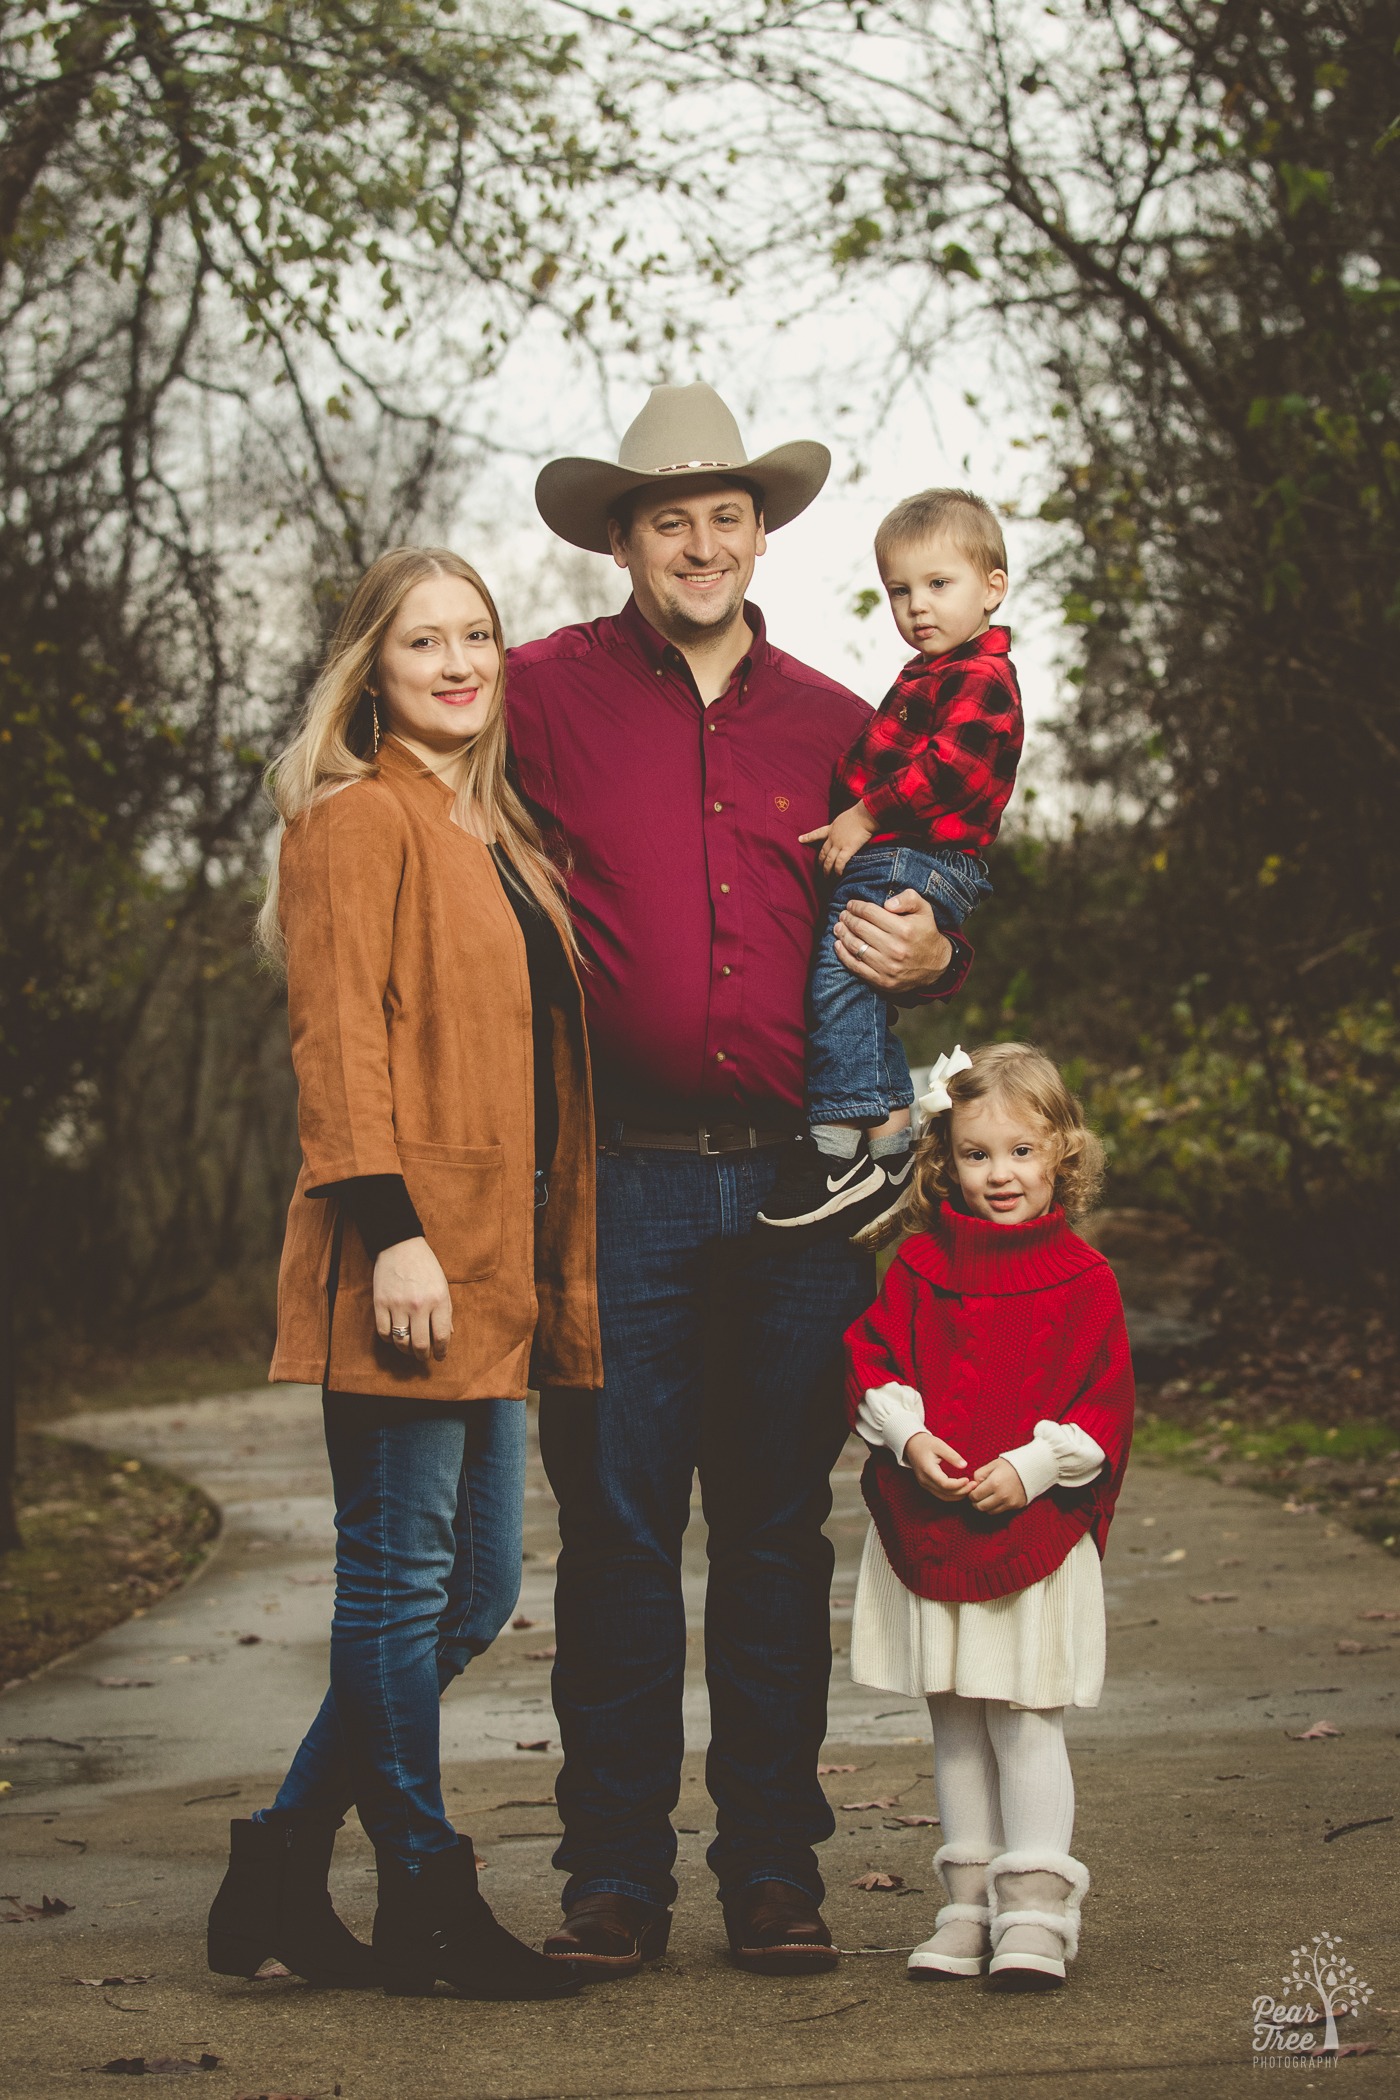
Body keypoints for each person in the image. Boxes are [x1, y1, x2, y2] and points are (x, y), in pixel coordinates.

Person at [507, 382, 971, 1978]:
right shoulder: (534, 696)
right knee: (621, 1538)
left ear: (760, 532)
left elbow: (934, 877)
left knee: (775, 1533)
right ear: (623, 539)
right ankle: (613, 1878)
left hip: (801, 1195)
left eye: (726, 515)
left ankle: (774, 1868)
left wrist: (939, 945)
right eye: (667, 519)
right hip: (614, 1188)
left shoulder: (849, 718)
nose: (700, 544)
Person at [206, 547, 602, 2001]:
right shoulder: (352, 823)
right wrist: (394, 1235)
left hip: (496, 1266)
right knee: (399, 1583)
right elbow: (339, 1049)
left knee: (476, 1588)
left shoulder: (493, 833)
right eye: (423, 640)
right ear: (370, 666)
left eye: (478, 637)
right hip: (408, 1266)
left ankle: (282, 1857)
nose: (457, 662)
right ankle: (426, 1892)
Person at [844, 1042, 1134, 1990]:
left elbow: (1104, 1405)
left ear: (1062, 1154)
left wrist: (1035, 1464)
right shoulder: (922, 1266)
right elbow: (875, 1361)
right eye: (975, 1154)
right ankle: (967, 1901)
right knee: (957, 1719)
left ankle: (1038, 1912)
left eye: (1019, 1151)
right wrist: (909, 1438)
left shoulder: (1084, 1279)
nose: (999, 1174)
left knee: (1024, 1718)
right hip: (936, 1521)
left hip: (1032, 1535)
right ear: (944, 1161)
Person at [757, 489, 1023, 1243]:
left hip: (923, 855)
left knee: (846, 976)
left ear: (991, 588)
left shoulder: (980, 678)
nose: (917, 606)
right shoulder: (926, 673)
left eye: (939, 585)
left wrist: (864, 814)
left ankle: (854, 1148)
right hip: (904, 851)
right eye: (900, 591)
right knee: (848, 979)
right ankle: (876, 1146)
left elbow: (948, 771)